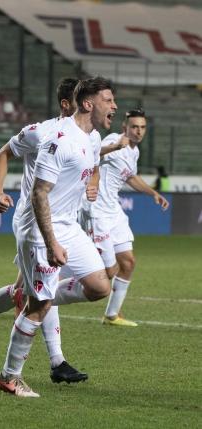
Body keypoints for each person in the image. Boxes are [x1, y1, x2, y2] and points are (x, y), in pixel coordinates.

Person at [0, 78, 91, 384]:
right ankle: (56, 361)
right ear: (68, 104)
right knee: (44, 290)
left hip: (64, 223)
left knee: (25, 292)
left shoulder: (85, 136)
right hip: (34, 222)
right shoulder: (40, 132)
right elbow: (2, 154)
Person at [0, 77, 117, 397]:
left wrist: (93, 181)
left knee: (100, 286)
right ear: (88, 104)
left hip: (69, 226)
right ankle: (10, 376)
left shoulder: (93, 139)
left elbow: (92, 164)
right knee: (39, 307)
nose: (114, 106)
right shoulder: (57, 139)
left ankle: (35, 296)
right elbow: (38, 195)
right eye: (108, 100)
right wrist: (51, 243)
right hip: (40, 227)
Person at [79, 109, 170, 327]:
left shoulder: (134, 152)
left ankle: (112, 315)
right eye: (134, 127)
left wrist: (153, 193)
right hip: (96, 210)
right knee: (108, 272)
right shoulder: (114, 139)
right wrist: (113, 147)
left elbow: (130, 177)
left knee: (128, 262)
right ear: (125, 128)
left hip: (114, 210)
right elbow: (90, 152)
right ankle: (49, 291)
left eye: (142, 127)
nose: (138, 131)